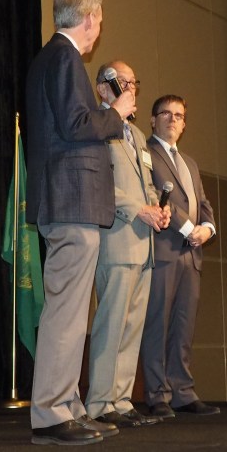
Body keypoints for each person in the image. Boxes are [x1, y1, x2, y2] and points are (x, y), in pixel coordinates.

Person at [26, 0, 136, 445]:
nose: (100, 29)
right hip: (70, 200)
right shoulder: (65, 57)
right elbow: (76, 125)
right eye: (100, 20)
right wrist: (117, 112)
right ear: (89, 18)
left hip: (68, 201)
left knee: (71, 313)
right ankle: (52, 414)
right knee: (66, 314)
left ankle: (67, 407)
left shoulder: (53, 57)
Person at [84, 61, 170, 428]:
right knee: (112, 325)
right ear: (103, 88)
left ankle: (120, 400)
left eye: (134, 82)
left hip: (144, 244)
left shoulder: (135, 134)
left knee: (132, 327)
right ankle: (99, 403)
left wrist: (159, 209)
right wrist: (138, 209)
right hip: (116, 241)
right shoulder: (97, 126)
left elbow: (147, 184)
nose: (131, 88)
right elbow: (99, 184)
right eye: (123, 82)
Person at [139, 95, 220, 418]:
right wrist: (189, 228)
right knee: (157, 325)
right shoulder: (145, 152)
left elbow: (204, 204)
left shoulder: (190, 163)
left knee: (184, 327)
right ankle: (157, 394)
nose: (173, 119)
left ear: (185, 124)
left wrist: (208, 229)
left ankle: (182, 392)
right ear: (152, 120)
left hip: (192, 253)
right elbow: (157, 198)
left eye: (179, 115)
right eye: (166, 114)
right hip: (164, 250)